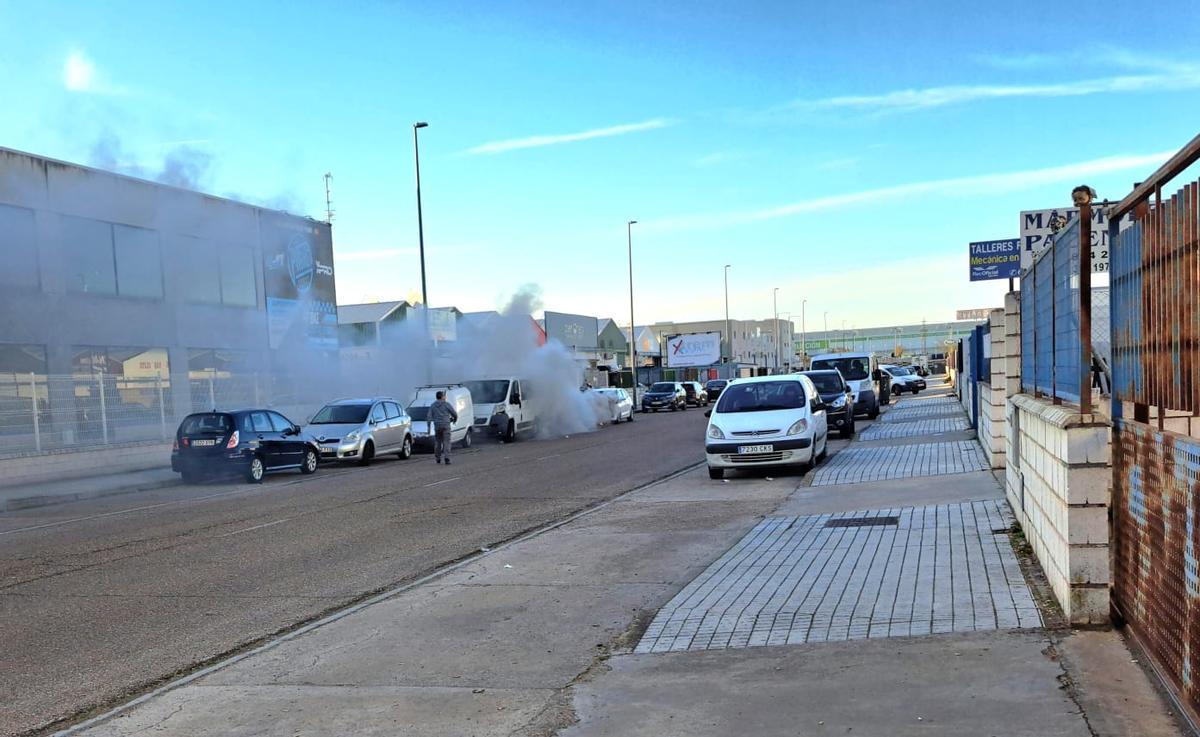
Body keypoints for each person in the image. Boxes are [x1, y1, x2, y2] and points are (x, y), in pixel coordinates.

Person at [429, 390, 458, 465]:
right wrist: (454, 420)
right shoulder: (446, 404)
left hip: (437, 426)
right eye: (444, 396)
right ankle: (447, 458)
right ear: (442, 396)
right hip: (446, 425)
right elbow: (454, 414)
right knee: (446, 442)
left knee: (438, 442)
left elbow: (429, 417)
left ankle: (438, 458)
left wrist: (428, 427)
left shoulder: (433, 405)